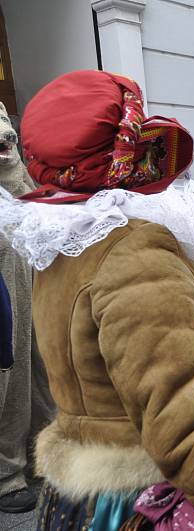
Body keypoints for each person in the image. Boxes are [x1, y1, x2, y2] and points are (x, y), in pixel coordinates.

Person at [0, 70, 194, 530]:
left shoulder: (70, 238)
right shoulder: (131, 254)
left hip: (91, 488)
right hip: (156, 498)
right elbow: (181, 424)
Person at [0, 113, 53, 514]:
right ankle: (7, 475)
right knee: (10, 380)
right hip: (6, 297)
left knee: (43, 371)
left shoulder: (21, 180)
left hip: (36, 287)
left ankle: (40, 456)